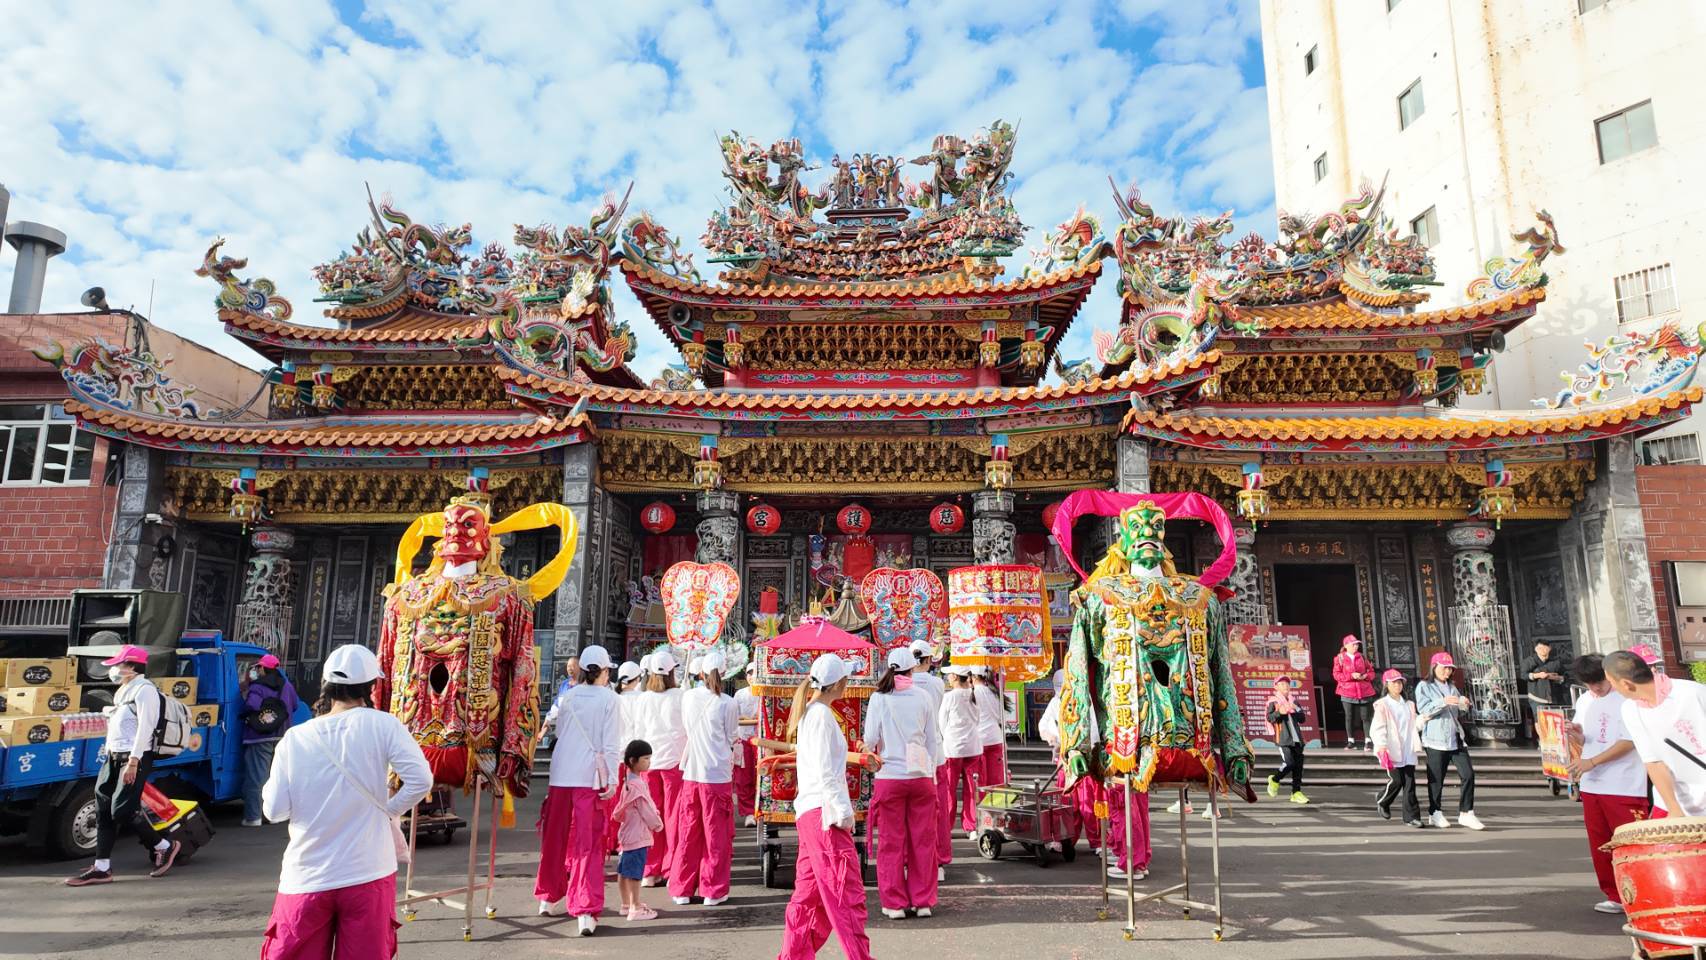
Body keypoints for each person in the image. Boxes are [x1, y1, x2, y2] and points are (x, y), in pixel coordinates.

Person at [254, 644, 433, 958]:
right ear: (371, 687)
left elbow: (274, 810)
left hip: (307, 875)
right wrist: (388, 811)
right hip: (368, 871)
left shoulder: (296, 738)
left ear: (326, 686)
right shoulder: (384, 725)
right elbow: (421, 780)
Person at [775, 654, 874, 960]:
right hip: (825, 813)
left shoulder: (812, 713)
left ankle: (794, 956)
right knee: (845, 894)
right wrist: (843, 812)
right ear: (840, 683)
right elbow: (825, 771)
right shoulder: (820, 715)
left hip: (813, 811)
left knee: (809, 896)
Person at [66, 644, 180, 886]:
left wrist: (133, 761)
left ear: (131, 667)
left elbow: (145, 729)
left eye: (119, 665)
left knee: (121, 809)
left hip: (134, 757)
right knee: (103, 807)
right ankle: (101, 867)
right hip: (114, 756)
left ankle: (164, 846)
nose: (115, 670)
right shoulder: (123, 691)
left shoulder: (145, 690)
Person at [535, 645, 621, 936]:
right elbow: (610, 743)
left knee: (554, 837)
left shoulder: (568, 696)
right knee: (588, 842)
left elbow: (560, 733)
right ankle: (585, 907)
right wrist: (612, 780)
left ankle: (547, 896)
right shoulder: (610, 699)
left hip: (561, 773)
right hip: (588, 777)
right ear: (605, 671)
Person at [1566, 654, 1649, 914]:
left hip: (1624, 783)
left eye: (1599, 681)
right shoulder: (1584, 700)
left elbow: (1629, 741)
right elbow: (1586, 740)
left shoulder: (1626, 697)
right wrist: (1576, 736)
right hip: (1593, 785)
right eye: (1589, 684)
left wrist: (1592, 762)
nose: (1596, 688)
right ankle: (1614, 894)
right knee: (1600, 844)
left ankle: (1644, 893)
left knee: (1631, 843)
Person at [863, 647, 941, 919]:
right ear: (912, 669)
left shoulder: (879, 698)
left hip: (889, 776)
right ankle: (922, 901)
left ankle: (894, 902)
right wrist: (930, 772)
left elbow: (870, 738)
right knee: (923, 841)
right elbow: (932, 740)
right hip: (920, 774)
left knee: (891, 842)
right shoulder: (923, 696)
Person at [672, 651, 740, 907]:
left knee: (689, 831)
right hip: (717, 773)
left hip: (692, 773)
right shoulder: (727, 703)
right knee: (716, 835)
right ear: (724, 673)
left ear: (700, 673)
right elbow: (732, 736)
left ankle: (682, 888)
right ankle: (713, 889)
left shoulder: (688, 697)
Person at [1608, 649, 1706, 819]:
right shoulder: (1630, 710)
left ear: (1626, 684)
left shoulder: (1693, 693)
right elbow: (1653, 762)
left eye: (1612, 682)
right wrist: (1673, 808)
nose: (1613, 688)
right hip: (1675, 803)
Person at [630, 650, 686, 887]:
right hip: (673, 762)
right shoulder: (681, 696)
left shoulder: (641, 698)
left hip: (648, 763)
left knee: (650, 817)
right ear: (672, 671)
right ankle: (671, 866)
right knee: (674, 817)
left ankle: (650, 870)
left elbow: (637, 730)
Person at [1417, 652, 1484, 830]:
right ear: (1434, 667)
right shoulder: (1424, 686)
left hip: (1455, 737)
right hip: (1435, 739)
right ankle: (1434, 812)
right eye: (1444, 668)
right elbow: (1424, 710)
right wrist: (1443, 701)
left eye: (1450, 669)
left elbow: (1456, 712)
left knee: (1468, 774)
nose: (1447, 672)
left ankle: (1466, 812)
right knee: (1437, 779)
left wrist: (1463, 705)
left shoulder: (1452, 687)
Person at [1038, 669, 1100, 855]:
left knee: (1088, 802)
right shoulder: (1056, 701)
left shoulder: (1084, 700)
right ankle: (1064, 839)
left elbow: (1094, 729)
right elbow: (1044, 725)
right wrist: (1052, 738)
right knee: (1066, 802)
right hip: (1065, 760)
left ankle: (1097, 841)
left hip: (1084, 759)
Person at [240, 653, 301, 827]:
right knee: (276, 778)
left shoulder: (257, 687)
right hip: (282, 735)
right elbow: (295, 705)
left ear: (262, 669)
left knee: (256, 778)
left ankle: (253, 817)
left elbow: (252, 705)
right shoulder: (287, 686)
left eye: (258, 667)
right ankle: (272, 815)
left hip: (260, 736)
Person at [611, 739, 664, 922]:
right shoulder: (638, 785)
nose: (649, 762)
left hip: (627, 833)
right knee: (634, 873)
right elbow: (646, 809)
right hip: (638, 834)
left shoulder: (628, 781)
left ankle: (626, 904)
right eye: (646, 759)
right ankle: (635, 907)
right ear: (633, 760)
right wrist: (658, 824)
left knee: (624, 871)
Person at [1370, 669, 1422, 827]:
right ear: (1387, 685)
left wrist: (1425, 718)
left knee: (1410, 783)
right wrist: (1381, 746)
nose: (1398, 685)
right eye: (1394, 683)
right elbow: (1378, 727)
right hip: (1390, 748)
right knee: (1397, 780)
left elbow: (1414, 725)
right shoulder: (1382, 705)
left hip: (1408, 748)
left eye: (1400, 682)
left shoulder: (1409, 704)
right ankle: (1382, 800)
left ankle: (1411, 817)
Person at [938, 666, 984, 836]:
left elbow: (942, 722)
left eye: (949, 675)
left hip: (953, 748)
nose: (948, 677)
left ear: (955, 677)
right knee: (972, 789)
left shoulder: (949, 697)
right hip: (973, 746)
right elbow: (978, 720)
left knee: (949, 789)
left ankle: (946, 826)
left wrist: (948, 736)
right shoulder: (975, 695)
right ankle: (971, 826)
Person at [1265, 675, 1310, 805]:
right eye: (1282, 684)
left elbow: (1302, 718)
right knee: (1289, 763)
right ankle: (1274, 779)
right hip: (1283, 738)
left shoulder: (1294, 701)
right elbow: (1270, 718)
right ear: (1276, 687)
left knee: (1298, 767)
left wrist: (1294, 709)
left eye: (1287, 684)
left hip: (1297, 739)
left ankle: (1296, 792)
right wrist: (1281, 712)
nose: (1285, 686)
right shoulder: (1273, 701)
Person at [1332, 635, 1377, 751]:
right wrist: (1351, 676)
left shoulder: (1361, 657)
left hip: (1364, 690)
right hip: (1347, 690)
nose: (1356, 646)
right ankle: (1351, 741)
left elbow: (1371, 672)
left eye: (1357, 644)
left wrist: (1366, 676)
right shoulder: (1340, 658)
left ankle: (1368, 740)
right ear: (1346, 646)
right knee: (1349, 717)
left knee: (1366, 717)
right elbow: (1336, 675)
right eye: (1353, 644)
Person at [1521, 640, 1570, 741]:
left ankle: (1556, 739)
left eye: (1545, 647)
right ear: (1536, 649)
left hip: (1553, 695)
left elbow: (1565, 676)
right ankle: (1543, 740)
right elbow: (1523, 675)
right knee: (1539, 718)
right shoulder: (1529, 661)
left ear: (1549, 649)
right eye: (1540, 648)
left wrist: (1557, 678)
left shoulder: (1555, 662)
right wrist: (1538, 675)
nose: (1543, 650)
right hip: (1537, 695)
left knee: (1555, 717)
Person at [734, 661, 762, 828]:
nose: (752, 676)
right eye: (749, 673)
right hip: (743, 739)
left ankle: (760, 809)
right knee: (743, 777)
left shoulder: (765, 692)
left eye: (755, 673)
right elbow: (735, 716)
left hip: (760, 741)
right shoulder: (740, 694)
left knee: (759, 775)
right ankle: (748, 812)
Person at [972, 666, 1007, 787]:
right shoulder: (995, 693)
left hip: (979, 739)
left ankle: (981, 804)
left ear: (974, 677)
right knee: (996, 778)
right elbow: (1002, 717)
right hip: (995, 738)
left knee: (980, 779)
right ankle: (996, 804)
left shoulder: (972, 693)